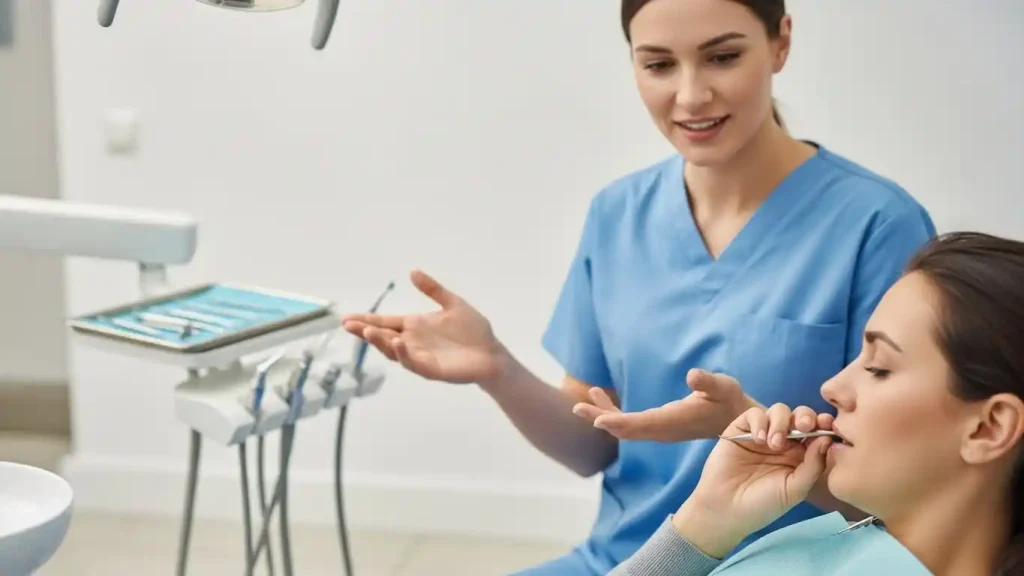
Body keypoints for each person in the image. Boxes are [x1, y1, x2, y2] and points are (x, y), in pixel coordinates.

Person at [341, 0, 936, 573]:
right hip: (626, 562)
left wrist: (753, 428)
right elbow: (594, 448)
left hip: (787, 566)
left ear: (780, 42)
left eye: (722, 57)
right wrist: (495, 367)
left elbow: (913, 497)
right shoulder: (618, 215)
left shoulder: (878, 226)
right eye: (658, 64)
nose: (690, 95)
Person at [607, 232, 1024, 576]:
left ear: (989, 428)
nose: (832, 387)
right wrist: (705, 521)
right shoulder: (826, 542)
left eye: (878, 368)